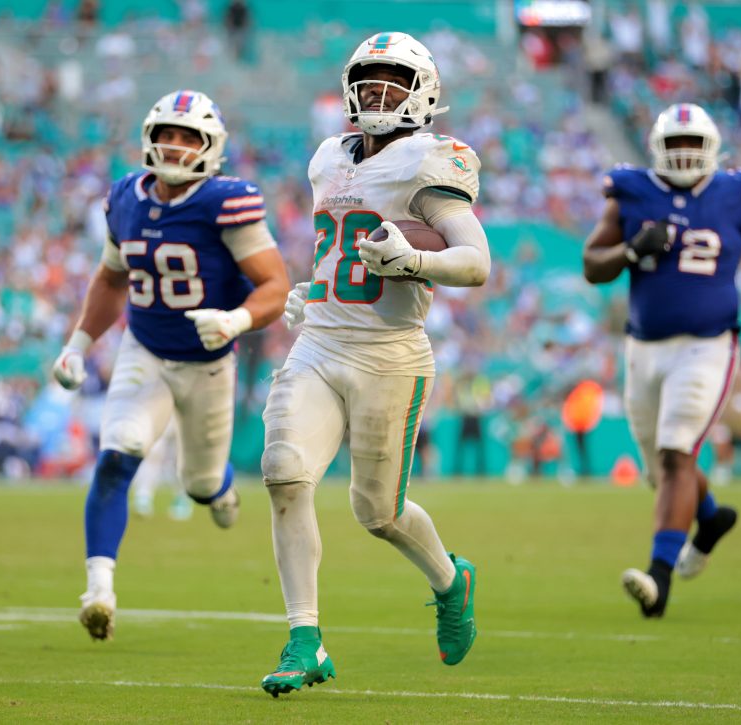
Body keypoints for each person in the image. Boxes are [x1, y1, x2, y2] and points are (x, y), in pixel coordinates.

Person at [259, 32, 491, 696]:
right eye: (368, 79)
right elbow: (339, 242)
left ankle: (451, 579)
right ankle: (306, 638)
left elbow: (475, 260)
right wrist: (316, 287)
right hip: (322, 342)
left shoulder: (432, 159)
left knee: (377, 512)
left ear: (424, 93)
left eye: (394, 80)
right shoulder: (327, 155)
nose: (377, 92)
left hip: (389, 354)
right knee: (282, 472)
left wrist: (415, 261)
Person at [52, 89, 290, 641]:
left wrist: (235, 321)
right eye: (166, 134)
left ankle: (221, 490)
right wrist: (78, 344)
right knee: (119, 453)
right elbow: (113, 278)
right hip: (147, 350)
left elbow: (275, 286)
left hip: (209, 363)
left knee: (200, 481)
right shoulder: (124, 199)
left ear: (212, 148)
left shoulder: (226, 202)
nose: (175, 146)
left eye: (188, 137)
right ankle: (99, 590)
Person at [583, 103, 741, 618]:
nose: (681, 154)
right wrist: (631, 251)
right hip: (643, 345)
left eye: (690, 145)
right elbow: (593, 264)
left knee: (678, 453)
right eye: (673, 144)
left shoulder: (737, 194)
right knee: (661, 468)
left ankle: (659, 578)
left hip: (708, 343)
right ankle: (711, 517)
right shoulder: (633, 191)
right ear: (657, 147)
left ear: (711, 149)